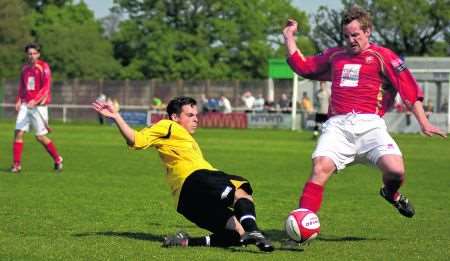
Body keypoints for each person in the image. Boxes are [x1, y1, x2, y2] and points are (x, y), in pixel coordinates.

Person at [283, 6, 446, 219]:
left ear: (368, 32)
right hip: (338, 126)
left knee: (396, 171)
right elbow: (304, 67)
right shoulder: (335, 56)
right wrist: (289, 38)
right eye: (346, 35)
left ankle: (390, 193)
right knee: (320, 168)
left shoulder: (382, 56)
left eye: (355, 35)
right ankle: (302, 223)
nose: (350, 40)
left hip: (371, 126)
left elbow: (408, 87)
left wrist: (424, 122)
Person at [92, 96, 273, 252]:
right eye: (190, 115)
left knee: (236, 234)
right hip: (195, 178)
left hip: (185, 202)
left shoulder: (184, 137)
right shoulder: (168, 125)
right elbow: (136, 140)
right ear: (175, 117)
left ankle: (185, 241)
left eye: (196, 115)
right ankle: (254, 229)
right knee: (240, 187)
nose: (196, 119)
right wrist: (116, 116)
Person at [11, 43, 63, 173]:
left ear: (38, 54)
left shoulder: (44, 67)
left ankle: (57, 159)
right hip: (25, 105)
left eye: (34, 53)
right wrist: (18, 100)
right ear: (26, 55)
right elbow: (22, 87)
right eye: (29, 54)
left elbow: (46, 88)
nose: (32, 56)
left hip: (39, 107)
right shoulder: (24, 69)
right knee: (18, 133)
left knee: (40, 137)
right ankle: (16, 165)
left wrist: (35, 100)